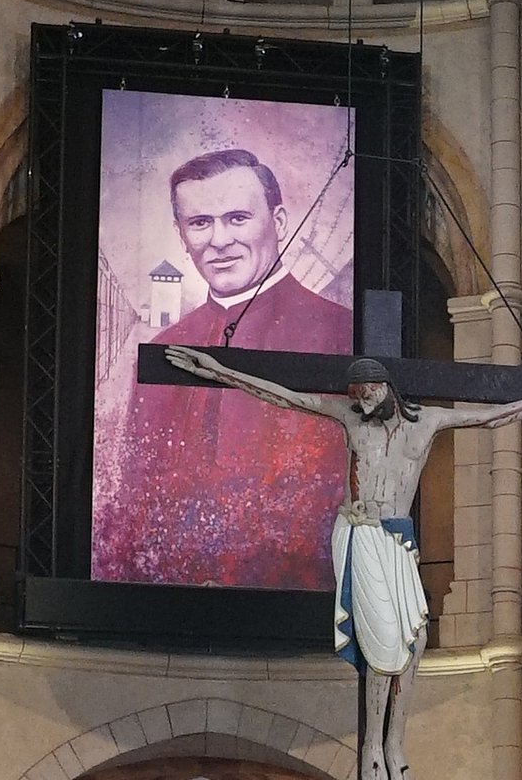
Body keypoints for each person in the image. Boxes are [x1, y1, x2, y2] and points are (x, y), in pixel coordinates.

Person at [166, 351, 522, 780]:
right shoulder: (350, 419)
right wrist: (218, 371)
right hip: (363, 532)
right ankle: (372, 743)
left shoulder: (427, 421)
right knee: (384, 642)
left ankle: (395, 742)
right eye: (356, 395)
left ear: (384, 386)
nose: (361, 402)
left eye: (367, 393)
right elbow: (287, 398)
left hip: (399, 538)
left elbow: (492, 417)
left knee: (416, 640)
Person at [95, 147, 354, 591]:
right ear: (181, 235)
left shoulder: (340, 332)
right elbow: (135, 505)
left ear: (279, 222)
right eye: (200, 223)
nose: (219, 241)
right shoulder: (162, 348)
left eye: (237, 218)